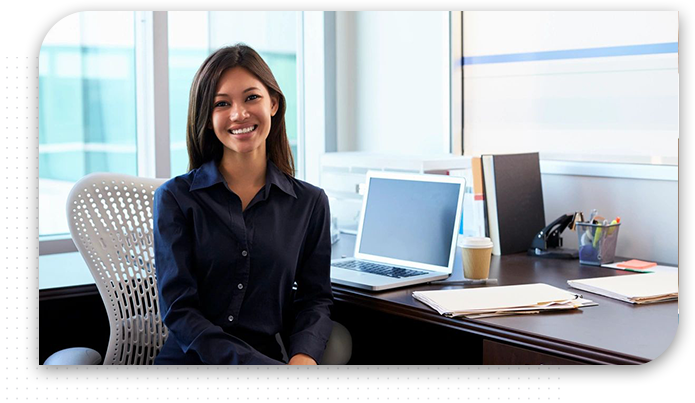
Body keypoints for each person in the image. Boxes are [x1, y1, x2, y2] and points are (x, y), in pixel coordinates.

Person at [153, 44, 334, 365]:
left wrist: (303, 359)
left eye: (252, 97)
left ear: (274, 104)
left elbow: (314, 300)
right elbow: (179, 310)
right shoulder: (175, 199)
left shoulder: (309, 203)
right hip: (190, 363)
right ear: (207, 119)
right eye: (222, 104)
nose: (239, 114)